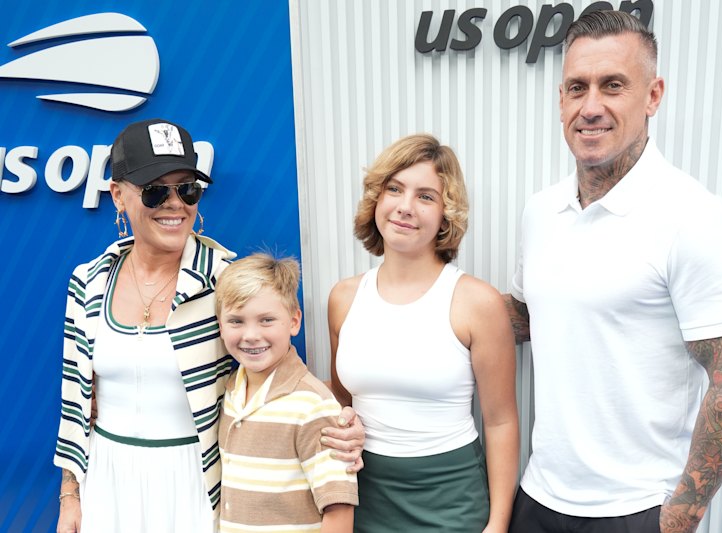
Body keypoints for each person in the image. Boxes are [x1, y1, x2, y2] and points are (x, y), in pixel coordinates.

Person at [505, 11, 722, 533]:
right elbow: (523, 317)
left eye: (613, 86)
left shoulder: (695, 219)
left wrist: (678, 517)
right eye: (577, 88)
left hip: (635, 511)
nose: (591, 106)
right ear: (561, 100)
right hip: (537, 497)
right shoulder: (541, 212)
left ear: (653, 96)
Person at [54, 118, 365, 533]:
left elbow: (279, 372)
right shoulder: (89, 281)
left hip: (196, 482)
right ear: (117, 196)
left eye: (187, 189)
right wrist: (70, 495)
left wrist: (340, 422)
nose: (174, 204)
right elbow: (76, 402)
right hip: (108, 480)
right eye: (154, 190)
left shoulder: (223, 280)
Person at [328, 134, 519, 532]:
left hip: (449, 501)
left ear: (446, 214)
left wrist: (498, 525)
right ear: (376, 200)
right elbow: (342, 404)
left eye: (426, 196)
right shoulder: (344, 298)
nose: (405, 207)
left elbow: (500, 422)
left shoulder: (476, 302)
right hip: (363, 498)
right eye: (394, 189)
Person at [215, 253, 358, 533]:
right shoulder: (229, 390)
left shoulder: (312, 405)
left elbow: (338, 510)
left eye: (267, 320)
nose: (251, 335)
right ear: (220, 325)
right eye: (236, 321)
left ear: (294, 322)